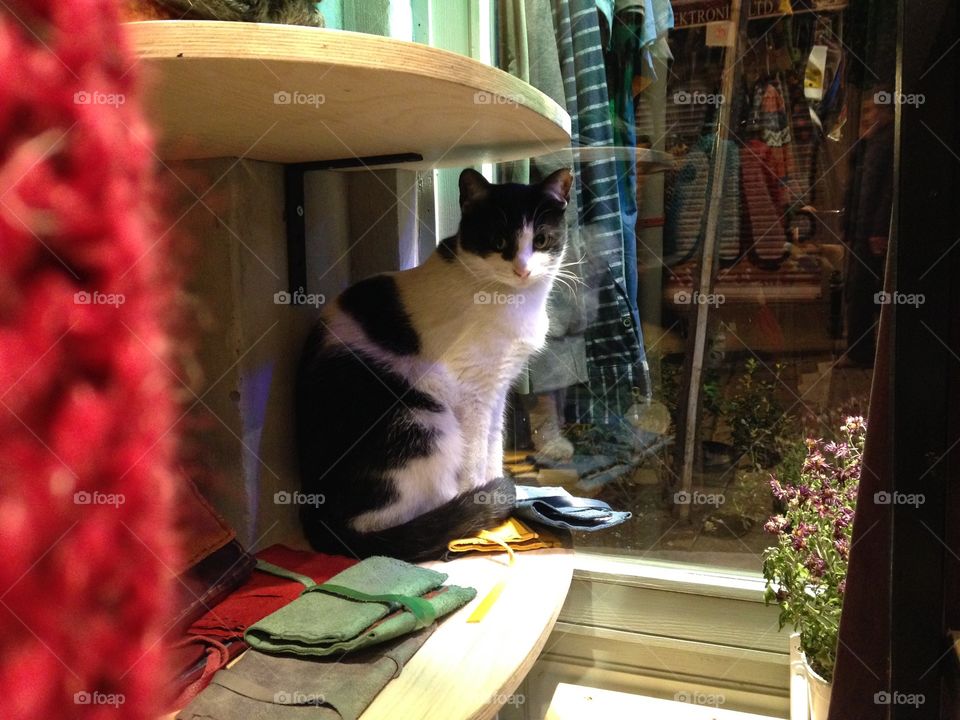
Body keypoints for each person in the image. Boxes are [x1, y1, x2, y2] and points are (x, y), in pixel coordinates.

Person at [837, 89, 895, 368]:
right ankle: (860, 350)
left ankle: (862, 353)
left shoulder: (887, 144)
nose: (866, 117)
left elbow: (886, 191)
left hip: (870, 231)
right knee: (857, 290)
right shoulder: (869, 144)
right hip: (861, 229)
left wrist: (879, 230)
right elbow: (856, 187)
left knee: (863, 291)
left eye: (872, 110)